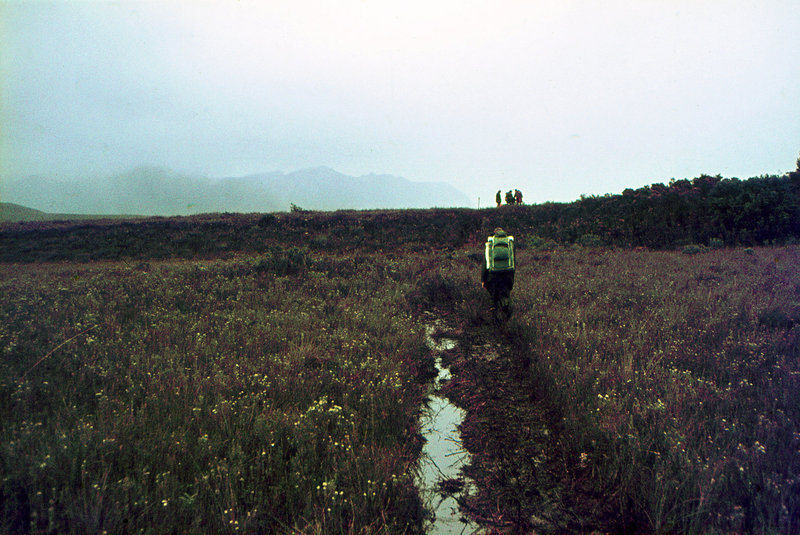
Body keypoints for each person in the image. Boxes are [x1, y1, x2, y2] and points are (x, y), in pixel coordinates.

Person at [482, 227, 515, 312]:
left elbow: (485, 263)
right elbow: (513, 261)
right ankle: (506, 312)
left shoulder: (490, 244)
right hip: (508, 274)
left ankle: (495, 314)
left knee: (494, 295)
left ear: (494, 233)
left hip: (493, 275)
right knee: (505, 294)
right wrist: (512, 278)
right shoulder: (509, 243)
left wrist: (483, 280)